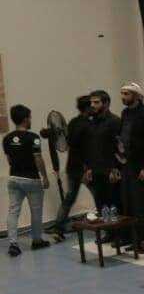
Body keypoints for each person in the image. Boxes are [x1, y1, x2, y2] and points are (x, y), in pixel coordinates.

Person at [5, 104, 51, 257]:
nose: (30, 120)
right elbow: (38, 158)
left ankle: (13, 244)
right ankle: (37, 240)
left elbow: (9, 160)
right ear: (25, 119)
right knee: (36, 211)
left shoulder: (6, 138)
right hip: (31, 179)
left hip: (13, 178)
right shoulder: (34, 138)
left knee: (13, 211)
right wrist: (45, 177)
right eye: (30, 117)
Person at [117, 82, 144, 240]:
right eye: (122, 93)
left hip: (142, 165)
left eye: (126, 94)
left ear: (136, 96)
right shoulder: (125, 113)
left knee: (143, 203)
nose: (123, 97)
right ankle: (134, 238)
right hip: (127, 164)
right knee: (129, 202)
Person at [50, 95, 91, 239]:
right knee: (100, 196)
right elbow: (87, 148)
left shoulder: (73, 122)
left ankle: (58, 229)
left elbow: (67, 142)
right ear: (88, 107)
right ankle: (109, 227)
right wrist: (87, 168)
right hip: (85, 168)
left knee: (69, 199)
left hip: (72, 166)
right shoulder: (89, 124)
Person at [82, 90, 122, 212]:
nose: (92, 105)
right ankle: (106, 224)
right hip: (96, 173)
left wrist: (115, 168)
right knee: (102, 208)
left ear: (106, 103)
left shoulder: (115, 121)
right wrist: (88, 168)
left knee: (115, 209)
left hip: (111, 173)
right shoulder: (91, 123)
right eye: (91, 102)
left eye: (96, 102)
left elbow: (119, 148)